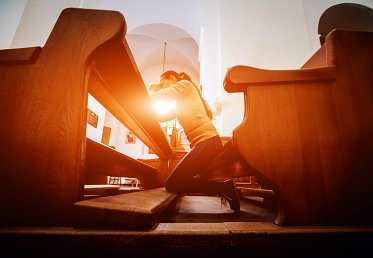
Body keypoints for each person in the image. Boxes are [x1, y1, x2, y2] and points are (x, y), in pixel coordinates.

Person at [149, 70, 240, 214]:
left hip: (208, 142)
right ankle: (222, 187)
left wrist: (146, 91)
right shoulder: (180, 102)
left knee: (172, 183)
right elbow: (161, 117)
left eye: (163, 83)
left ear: (172, 78)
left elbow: (161, 96)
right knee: (175, 182)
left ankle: (222, 187)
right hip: (206, 143)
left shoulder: (185, 85)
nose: (162, 87)